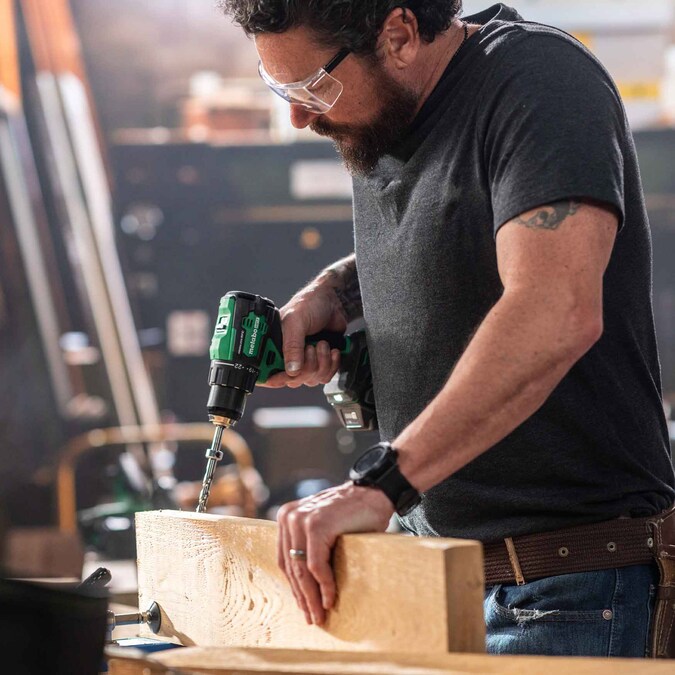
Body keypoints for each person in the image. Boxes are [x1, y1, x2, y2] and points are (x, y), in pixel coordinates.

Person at [218, 1, 675, 657]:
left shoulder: (540, 84)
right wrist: (336, 294)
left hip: (563, 589)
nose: (298, 115)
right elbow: (462, 227)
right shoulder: (381, 114)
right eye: (279, 87)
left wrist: (381, 484)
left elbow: (554, 310)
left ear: (399, 34)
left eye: (312, 86)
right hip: (432, 572)